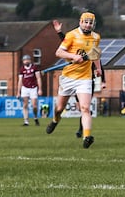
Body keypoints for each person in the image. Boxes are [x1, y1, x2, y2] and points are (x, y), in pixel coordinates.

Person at [45, 12, 103, 149]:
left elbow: (95, 54)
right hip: (68, 77)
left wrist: (98, 68)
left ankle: (87, 136)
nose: (88, 25)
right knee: (59, 108)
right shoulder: (72, 35)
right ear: (80, 22)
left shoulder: (96, 37)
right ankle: (55, 120)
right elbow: (58, 53)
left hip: (85, 78)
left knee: (85, 108)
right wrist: (73, 57)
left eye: (90, 23)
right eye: (86, 22)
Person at [17, 54, 42, 126]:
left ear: (30, 60)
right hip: (25, 88)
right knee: (25, 105)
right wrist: (18, 92)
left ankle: (35, 117)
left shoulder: (34, 68)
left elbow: (38, 78)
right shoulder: (22, 69)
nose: (26, 61)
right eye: (24, 60)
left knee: (34, 105)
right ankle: (26, 121)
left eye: (27, 60)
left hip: (33, 88)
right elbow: (20, 81)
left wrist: (40, 89)